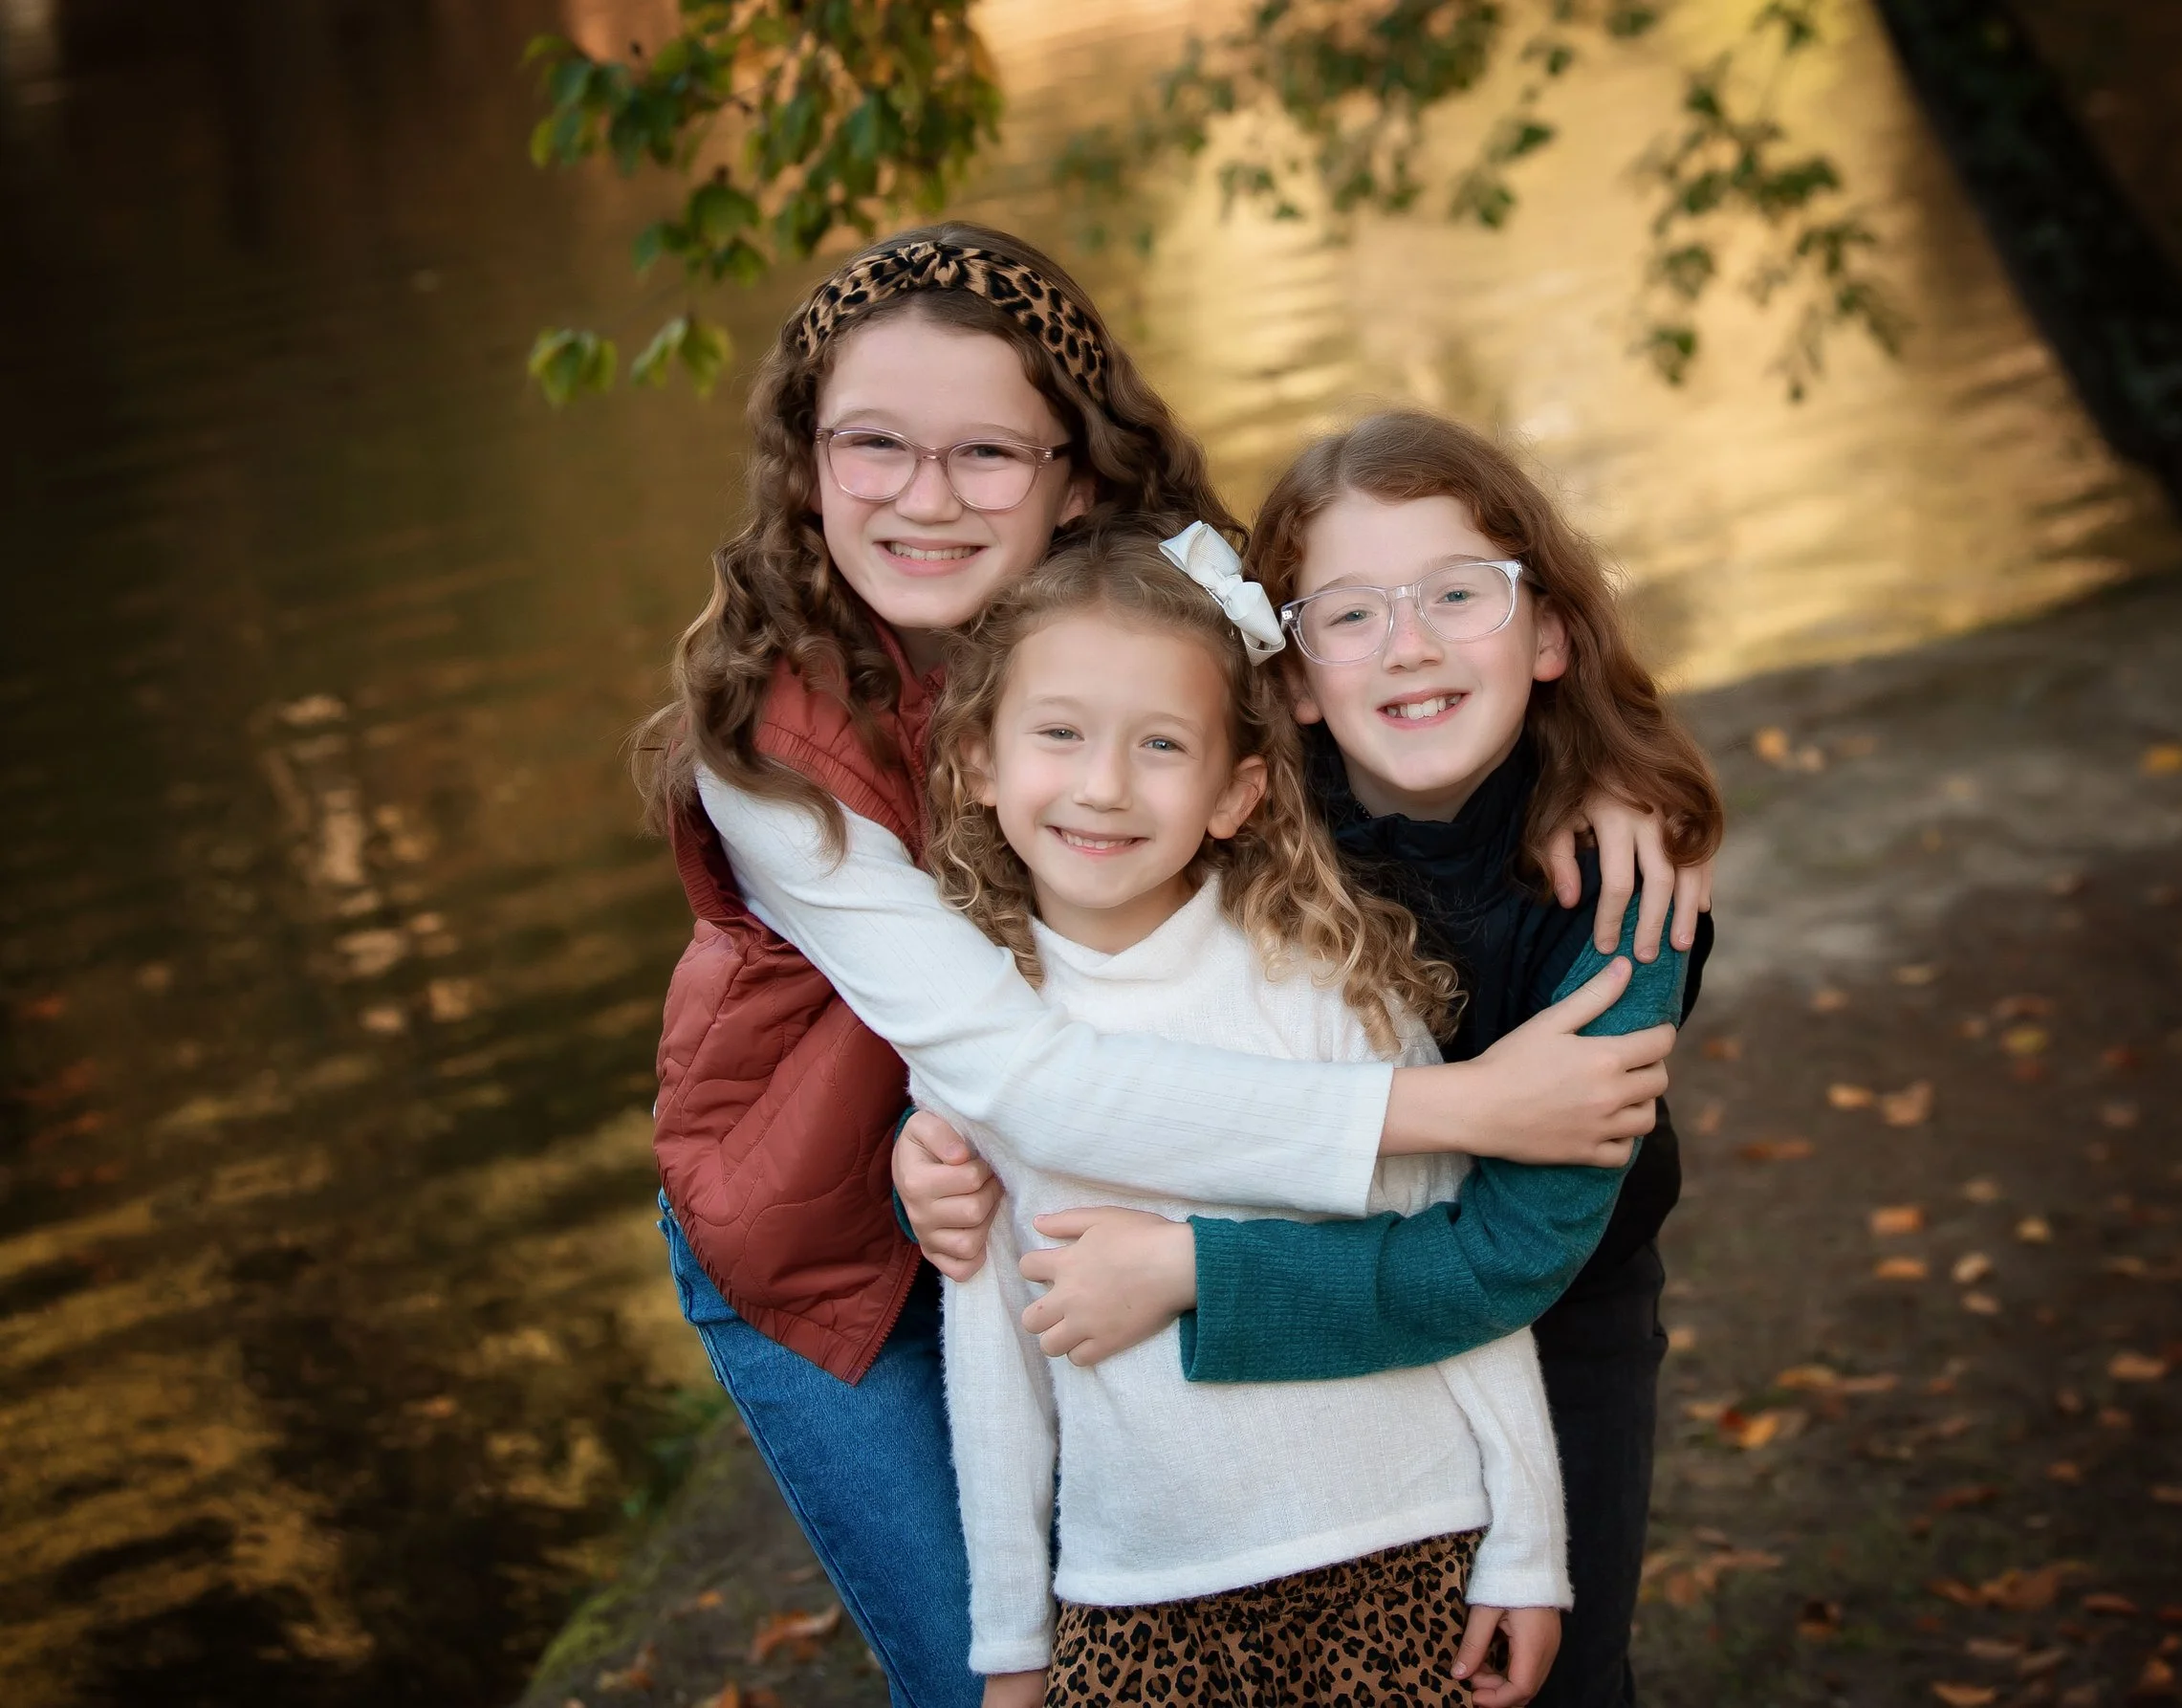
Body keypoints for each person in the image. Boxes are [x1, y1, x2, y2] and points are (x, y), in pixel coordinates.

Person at [641, 224, 1695, 1708]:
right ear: (808, 459)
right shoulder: (771, 746)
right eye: (871, 443)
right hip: (836, 1208)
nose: (925, 497)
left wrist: (1594, 773)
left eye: (986, 455)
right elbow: (1022, 1077)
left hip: (1093, 1173)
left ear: (1072, 473)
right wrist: (1455, 1110)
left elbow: (1376, 697)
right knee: (985, 1667)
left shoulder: (1172, 628)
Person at [899, 410, 1724, 1706]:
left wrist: (1187, 1272)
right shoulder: (1256, 822)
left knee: (1557, 1678)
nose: (1409, 642)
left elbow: (1499, 1260)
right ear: (1290, 676)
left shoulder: (1622, 905)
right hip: (1268, 1416)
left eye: (1462, 594)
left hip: (1552, 1302)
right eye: (1349, 612)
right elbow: (1107, 1010)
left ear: (1551, 630)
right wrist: (949, 1127)